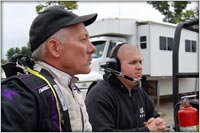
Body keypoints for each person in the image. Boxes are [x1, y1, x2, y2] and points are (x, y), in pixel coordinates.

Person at [1, 6, 97, 132]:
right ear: (54, 48)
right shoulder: (24, 93)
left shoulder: (68, 84)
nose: (92, 48)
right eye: (83, 39)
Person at [85, 43, 167, 132]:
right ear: (115, 66)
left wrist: (158, 123)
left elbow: (153, 117)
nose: (139, 67)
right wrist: (147, 130)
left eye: (140, 62)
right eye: (133, 62)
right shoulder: (99, 95)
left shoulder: (139, 92)